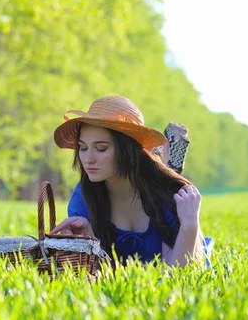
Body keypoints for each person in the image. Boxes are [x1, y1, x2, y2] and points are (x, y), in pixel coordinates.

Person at [49, 95, 206, 267]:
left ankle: (167, 163)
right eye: (83, 148)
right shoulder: (83, 199)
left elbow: (176, 274)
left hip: (156, 185)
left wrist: (190, 224)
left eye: (101, 149)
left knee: (164, 178)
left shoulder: (169, 195)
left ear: (127, 149)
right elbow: (102, 274)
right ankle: (163, 157)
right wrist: (89, 237)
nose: (88, 159)